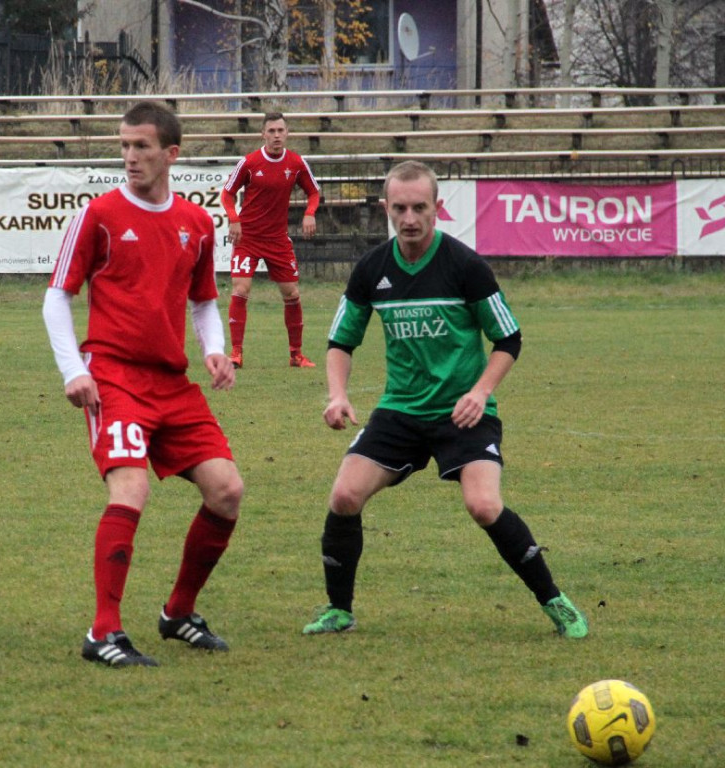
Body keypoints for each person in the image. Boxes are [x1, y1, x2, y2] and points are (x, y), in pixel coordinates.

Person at [302, 160, 588, 640]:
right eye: (400, 208)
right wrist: (337, 395)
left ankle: (554, 600)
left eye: (420, 207)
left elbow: (509, 339)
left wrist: (480, 392)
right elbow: (340, 342)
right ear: (384, 208)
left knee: (483, 505)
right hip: (400, 411)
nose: (410, 217)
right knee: (344, 496)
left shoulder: (465, 265)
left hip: (463, 412)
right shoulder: (372, 269)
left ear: (438, 207)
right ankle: (339, 610)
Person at [43, 101, 244, 667]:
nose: (130, 156)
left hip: (171, 382)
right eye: (124, 145)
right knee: (130, 490)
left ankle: (178, 612)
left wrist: (214, 350)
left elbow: (204, 301)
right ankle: (102, 632)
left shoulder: (196, 224)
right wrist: (74, 370)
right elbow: (57, 295)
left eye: (142, 146)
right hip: (113, 375)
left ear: (170, 154)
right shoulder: (99, 214)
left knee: (227, 491)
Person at [221, 111, 320, 369]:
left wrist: (309, 213)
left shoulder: (296, 163)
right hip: (248, 238)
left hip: (277, 240)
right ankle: (236, 353)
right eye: (272, 131)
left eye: (281, 131)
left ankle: (296, 355)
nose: (276, 136)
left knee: (292, 293)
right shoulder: (250, 163)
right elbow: (227, 193)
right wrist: (234, 218)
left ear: (287, 133)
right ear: (263, 134)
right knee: (241, 289)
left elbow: (313, 193)